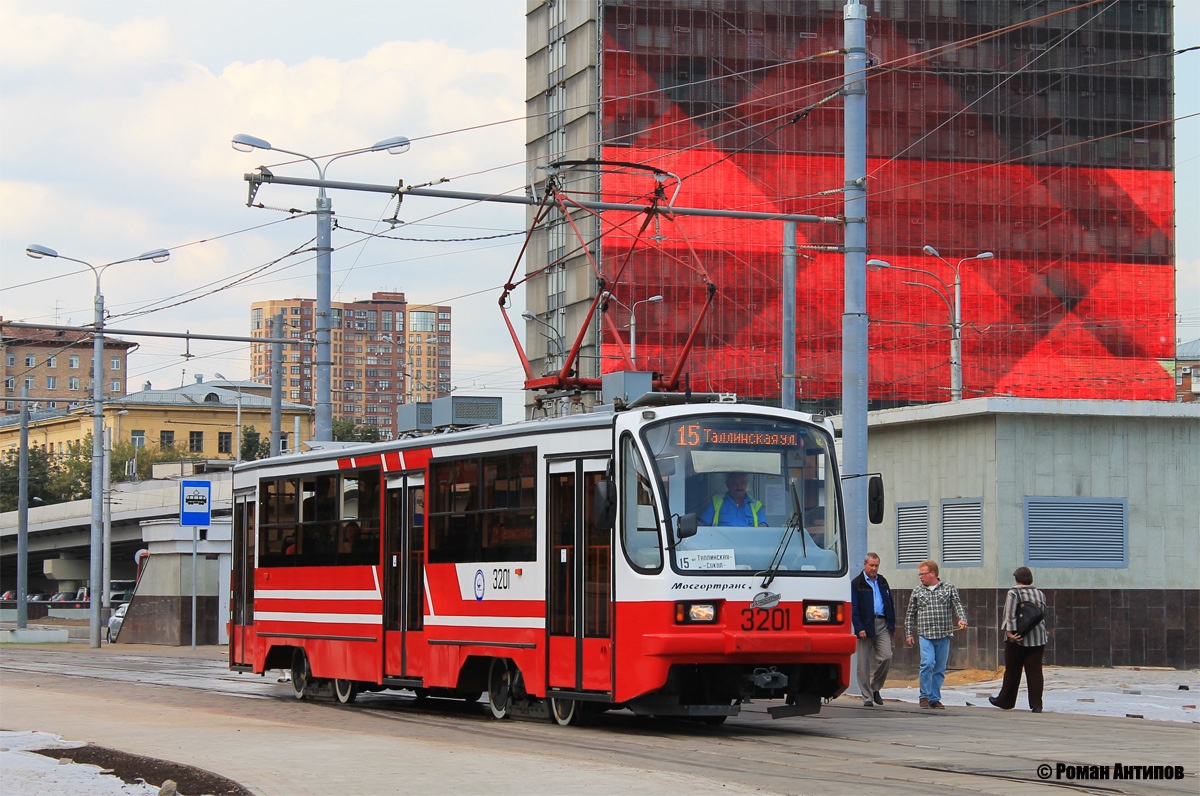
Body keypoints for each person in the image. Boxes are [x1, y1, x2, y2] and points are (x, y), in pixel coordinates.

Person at [904, 559, 967, 710]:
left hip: (943, 634)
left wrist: (962, 619)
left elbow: (957, 605)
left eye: (923, 574)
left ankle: (934, 698)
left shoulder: (948, 588)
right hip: (925, 634)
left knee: (939, 668)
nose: (920, 577)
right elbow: (910, 614)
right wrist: (908, 633)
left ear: (932, 573)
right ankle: (924, 696)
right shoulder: (917, 591)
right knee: (927, 663)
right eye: (919, 574)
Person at [989, 567, 1048, 713]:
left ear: (1016, 578)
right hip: (1038, 638)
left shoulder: (1014, 592)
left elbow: (1010, 613)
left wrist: (1009, 632)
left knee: (1012, 670)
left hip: (1017, 638)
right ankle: (1037, 704)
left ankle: (1005, 701)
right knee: (1035, 671)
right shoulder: (1039, 593)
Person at [851, 552, 895, 706]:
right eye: (871, 565)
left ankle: (875, 687)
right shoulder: (857, 583)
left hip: (882, 623)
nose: (874, 568)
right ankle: (867, 696)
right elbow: (854, 608)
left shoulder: (882, 581)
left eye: (876, 565)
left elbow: (889, 603)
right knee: (863, 663)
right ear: (865, 565)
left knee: (887, 657)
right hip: (865, 625)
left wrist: (892, 625)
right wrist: (859, 627)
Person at [698, 472, 766, 526]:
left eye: (742, 483)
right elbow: (702, 526)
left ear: (746, 483)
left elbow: (763, 528)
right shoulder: (716, 502)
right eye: (735, 483)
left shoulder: (756, 505)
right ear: (728, 484)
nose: (739, 486)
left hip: (748, 540)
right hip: (721, 540)